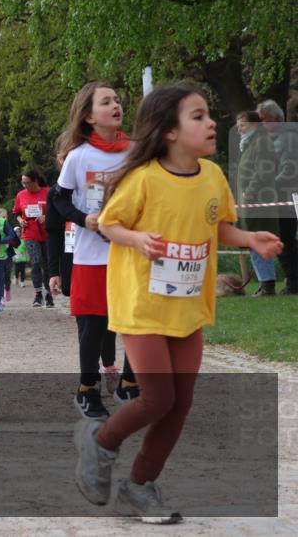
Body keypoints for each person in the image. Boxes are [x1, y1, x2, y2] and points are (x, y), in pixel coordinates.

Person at [74, 83, 283, 524]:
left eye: (209, 115)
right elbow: (108, 223)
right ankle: (101, 442)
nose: (211, 124)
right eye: (198, 116)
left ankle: (140, 486)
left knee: (180, 401)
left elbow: (217, 225)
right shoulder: (143, 178)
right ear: (169, 131)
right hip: (141, 306)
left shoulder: (212, 176)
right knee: (157, 398)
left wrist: (249, 238)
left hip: (188, 308)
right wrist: (136, 239)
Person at [54, 82, 138, 419]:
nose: (116, 105)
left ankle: (130, 384)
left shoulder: (136, 151)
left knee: (136, 321)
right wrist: (83, 219)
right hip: (92, 256)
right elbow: (59, 200)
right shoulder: (78, 156)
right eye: (106, 102)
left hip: (129, 252)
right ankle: (87, 388)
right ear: (89, 116)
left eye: (117, 100)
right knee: (94, 325)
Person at [235, 110, 281, 296]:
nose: (239, 129)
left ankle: (267, 285)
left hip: (258, 202)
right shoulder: (250, 143)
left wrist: (249, 193)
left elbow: (262, 172)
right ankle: (265, 283)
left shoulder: (261, 143)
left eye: (243, 125)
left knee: (258, 241)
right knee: (254, 241)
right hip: (250, 203)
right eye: (238, 126)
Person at [256, 99, 298, 294]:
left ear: (275, 118)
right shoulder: (276, 138)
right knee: (284, 238)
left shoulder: (287, 138)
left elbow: (289, 169)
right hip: (282, 196)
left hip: (287, 196)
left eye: (263, 120)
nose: (260, 124)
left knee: (285, 239)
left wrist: (270, 187)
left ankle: (294, 282)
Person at [13, 170, 54, 308]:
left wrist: (47, 217)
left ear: (35, 181)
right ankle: (38, 294)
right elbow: (17, 213)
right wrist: (20, 221)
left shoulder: (48, 192)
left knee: (47, 264)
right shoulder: (21, 195)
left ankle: (49, 294)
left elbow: (58, 211)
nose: (25, 185)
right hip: (30, 234)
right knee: (35, 263)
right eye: (23, 183)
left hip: (47, 234)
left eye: (27, 182)